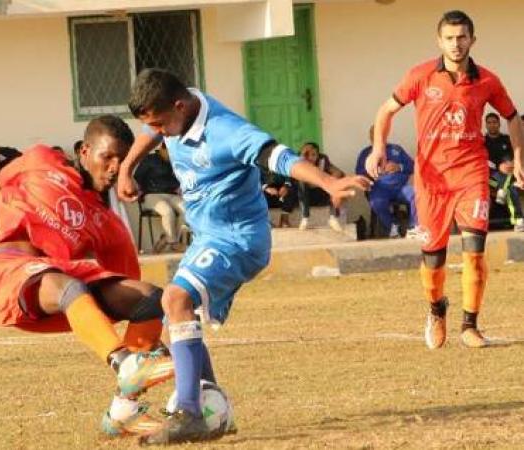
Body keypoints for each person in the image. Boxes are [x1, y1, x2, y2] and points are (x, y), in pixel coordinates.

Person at [118, 68, 369, 444]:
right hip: (207, 237)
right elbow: (150, 129)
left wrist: (329, 182)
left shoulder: (227, 131)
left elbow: (278, 156)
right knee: (177, 318)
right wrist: (127, 167)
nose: (159, 134)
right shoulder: (179, 107)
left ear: (179, 106)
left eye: (161, 124)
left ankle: (189, 414)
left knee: (176, 298)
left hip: (238, 239)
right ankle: (214, 410)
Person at [0, 115, 173, 438]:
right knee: (67, 284)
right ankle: (124, 364)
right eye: (108, 157)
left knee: (150, 297)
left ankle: (124, 410)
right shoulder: (40, 159)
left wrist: (155, 344)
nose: (115, 167)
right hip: (7, 271)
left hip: (58, 280)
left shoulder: (109, 224)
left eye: (122, 160)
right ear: (84, 152)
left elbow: (129, 302)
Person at [366, 10, 524, 350]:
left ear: (472, 40)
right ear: (440, 41)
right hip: (432, 180)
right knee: (433, 256)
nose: (456, 43)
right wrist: (378, 147)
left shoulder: (487, 81)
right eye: (450, 38)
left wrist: (519, 157)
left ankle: (470, 325)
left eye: (462, 37)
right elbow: (385, 111)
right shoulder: (420, 76)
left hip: (472, 174)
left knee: (475, 252)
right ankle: (437, 310)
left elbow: (512, 117)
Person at [356, 126, 418, 238]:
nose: (378, 138)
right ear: (370, 137)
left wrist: (398, 166)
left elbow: (412, 166)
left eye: (381, 134)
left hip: (401, 188)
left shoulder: (396, 149)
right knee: (376, 202)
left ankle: (414, 227)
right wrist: (373, 173)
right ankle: (393, 225)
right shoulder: (365, 153)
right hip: (379, 189)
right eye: (374, 135)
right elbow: (359, 173)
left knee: (417, 194)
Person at [134, 142, 185, 253]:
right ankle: (173, 243)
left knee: (187, 210)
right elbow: (137, 178)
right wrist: (139, 193)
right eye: (169, 151)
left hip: (171, 195)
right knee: (168, 211)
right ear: (162, 149)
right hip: (152, 195)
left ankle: (166, 238)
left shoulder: (174, 162)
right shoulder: (150, 159)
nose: (171, 154)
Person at [484, 112, 524, 231]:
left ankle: (518, 220)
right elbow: (481, 161)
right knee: (508, 185)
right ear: (486, 125)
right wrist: (498, 166)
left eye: (495, 122)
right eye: (489, 123)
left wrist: (513, 163)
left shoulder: (507, 139)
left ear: (499, 124)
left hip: (509, 175)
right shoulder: (482, 141)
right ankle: (518, 220)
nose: (492, 125)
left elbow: (516, 155)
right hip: (490, 179)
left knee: (509, 185)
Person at [297, 142, 346, 232]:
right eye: (307, 155)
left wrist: (330, 180)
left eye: (313, 155)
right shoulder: (298, 162)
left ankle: (333, 217)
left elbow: (338, 173)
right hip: (303, 198)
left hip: (321, 195)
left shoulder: (323, 160)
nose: (310, 158)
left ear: (318, 155)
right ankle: (305, 217)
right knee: (302, 181)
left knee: (333, 183)